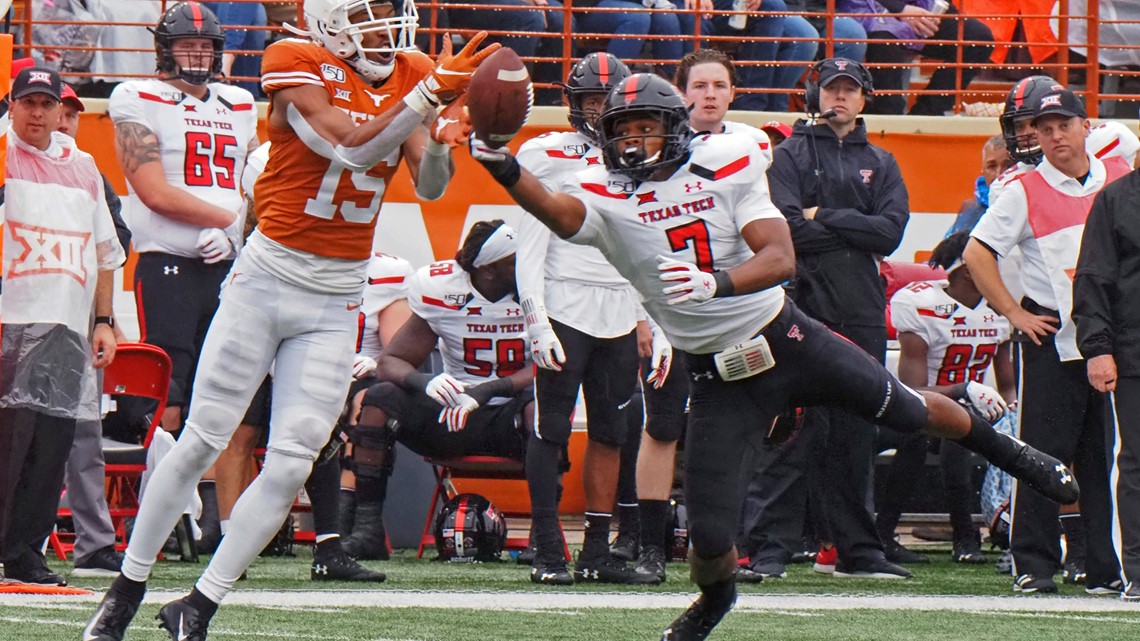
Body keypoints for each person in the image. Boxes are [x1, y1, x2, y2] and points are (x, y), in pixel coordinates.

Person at [470, 71, 1077, 641]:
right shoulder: (602, 194)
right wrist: (501, 166)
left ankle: (1014, 454)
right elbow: (553, 209)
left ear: (674, 127)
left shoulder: (730, 165)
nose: (632, 142)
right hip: (719, 375)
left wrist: (717, 283)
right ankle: (716, 599)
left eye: (645, 127)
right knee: (709, 539)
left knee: (906, 410)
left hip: (785, 338)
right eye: (622, 130)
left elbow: (781, 258)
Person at [83, 0, 494, 633]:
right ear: (331, 23)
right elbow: (355, 150)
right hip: (268, 276)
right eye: (367, 15)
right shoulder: (293, 59)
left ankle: (202, 602)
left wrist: (438, 137)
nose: (385, 29)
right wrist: (428, 97)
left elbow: (431, 182)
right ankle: (128, 587)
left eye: (388, 14)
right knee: (203, 438)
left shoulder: (409, 71)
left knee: (296, 456)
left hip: (336, 294)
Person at [744, 57, 911, 581]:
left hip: (861, 308)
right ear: (814, 94)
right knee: (788, 429)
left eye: (849, 90)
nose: (838, 98)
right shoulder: (788, 155)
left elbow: (890, 232)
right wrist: (850, 225)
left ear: (864, 98)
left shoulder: (883, 161)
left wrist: (825, 216)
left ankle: (857, 552)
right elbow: (788, 229)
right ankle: (769, 548)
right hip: (800, 304)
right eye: (830, 89)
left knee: (856, 432)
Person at [963, 87, 1128, 596]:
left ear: (1085, 126)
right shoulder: (1021, 188)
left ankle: (1105, 564)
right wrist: (1014, 312)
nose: (1055, 136)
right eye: (1045, 127)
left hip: (1114, 336)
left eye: (1064, 125)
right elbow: (977, 252)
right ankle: (1033, 561)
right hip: (1052, 331)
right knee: (1041, 453)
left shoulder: (1120, 178)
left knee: (1107, 455)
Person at [515, 52, 652, 585]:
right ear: (574, 105)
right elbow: (529, 243)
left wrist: (653, 320)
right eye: (590, 102)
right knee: (551, 429)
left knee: (612, 433)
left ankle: (596, 551)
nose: (598, 112)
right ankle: (548, 548)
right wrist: (535, 317)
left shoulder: (642, 154)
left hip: (618, 306)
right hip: (565, 302)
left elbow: (644, 245)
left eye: (606, 101)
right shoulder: (547, 152)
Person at [108, 2, 259, 434]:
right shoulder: (137, 96)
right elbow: (153, 190)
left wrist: (238, 230)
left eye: (204, 46)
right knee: (169, 387)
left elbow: (256, 183)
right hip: (168, 261)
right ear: (165, 50)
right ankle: (166, 496)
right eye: (186, 45)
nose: (196, 55)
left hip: (229, 264)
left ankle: (209, 499)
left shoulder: (240, 102)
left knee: (222, 390)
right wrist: (229, 219)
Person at [0, 66, 126, 585]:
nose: (36, 112)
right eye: (26, 101)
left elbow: (104, 253)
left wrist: (103, 320)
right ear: (11, 105)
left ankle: (25, 552)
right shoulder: (2, 154)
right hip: (10, 318)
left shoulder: (85, 165)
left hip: (67, 327)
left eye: (45, 103)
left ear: (60, 110)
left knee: (50, 445)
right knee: (7, 441)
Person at [352, 221, 535, 556]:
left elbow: (554, 364)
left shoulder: (540, 285)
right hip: (453, 414)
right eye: (513, 260)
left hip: (509, 416)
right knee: (379, 397)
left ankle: (545, 536)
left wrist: (491, 389)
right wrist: (426, 381)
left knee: (543, 405)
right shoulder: (441, 287)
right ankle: (367, 528)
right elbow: (391, 361)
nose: (525, 265)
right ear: (489, 270)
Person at [875, 231, 1015, 565]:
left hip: (974, 411)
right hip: (920, 409)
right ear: (970, 270)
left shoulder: (1001, 308)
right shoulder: (922, 305)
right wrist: (963, 389)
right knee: (927, 435)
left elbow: (1008, 383)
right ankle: (885, 535)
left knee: (966, 432)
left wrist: (1013, 410)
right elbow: (914, 389)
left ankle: (978, 535)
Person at [54, 79, 135, 578]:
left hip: (76, 314)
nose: (61, 122)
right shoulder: (10, 163)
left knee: (84, 431)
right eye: (48, 109)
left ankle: (94, 540)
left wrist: (103, 316)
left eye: (68, 113)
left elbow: (114, 245)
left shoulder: (86, 171)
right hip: (18, 311)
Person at [1073, 154, 1140, 603]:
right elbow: (1093, 279)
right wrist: (1098, 349)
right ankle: (1138, 568)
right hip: (1135, 353)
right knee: (1137, 464)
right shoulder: (1116, 200)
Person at [841, 0, 994, 116]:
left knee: (977, 38)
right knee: (885, 41)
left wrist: (935, 12)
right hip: (868, 9)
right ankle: (886, 118)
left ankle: (928, 112)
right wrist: (900, 9)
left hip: (921, 6)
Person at [947, 135, 1012, 236]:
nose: (999, 174)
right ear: (982, 170)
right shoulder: (968, 209)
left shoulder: (1032, 208)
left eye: (1008, 166)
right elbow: (947, 251)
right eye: (992, 166)